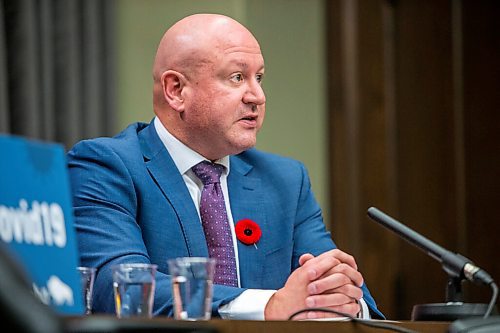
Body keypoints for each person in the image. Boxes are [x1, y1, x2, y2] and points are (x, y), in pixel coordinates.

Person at [67, 13, 383, 320]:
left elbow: (342, 294)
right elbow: (121, 290)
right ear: (176, 90)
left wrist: (345, 299)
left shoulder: (285, 181)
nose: (258, 96)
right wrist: (269, 305)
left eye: (259, 78)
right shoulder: (107, 166)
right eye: (237, 78)